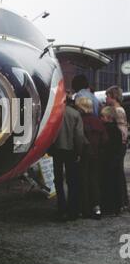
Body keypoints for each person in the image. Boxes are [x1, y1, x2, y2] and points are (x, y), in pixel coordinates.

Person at [50, 92, 85, 221]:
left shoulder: (54, 113)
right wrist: (79, 152)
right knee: (72, 181)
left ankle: (61, 209)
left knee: (58, 180)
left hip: (57, 150)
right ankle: (72, 211)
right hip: (71, 150)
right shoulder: (75, 114)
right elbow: (79, 136)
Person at [75, 97, 107, 219]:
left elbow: (77, 138)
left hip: (83, 154)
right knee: (94, 180)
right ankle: (97, 207)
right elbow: (105, 139)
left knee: (83, 180)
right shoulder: (97, 121)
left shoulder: (79, 121)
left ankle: (85, 209)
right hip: (96, 155)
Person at [105, 86, 129, 210]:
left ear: (113, 96)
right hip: (121, 144)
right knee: (118, 171)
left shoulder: (117, 110)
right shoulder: (118, 109)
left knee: (117, 171)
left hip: (119, 144)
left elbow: (122, 130)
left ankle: (121, 201)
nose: (106, 98)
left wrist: (121, 142)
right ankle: (123, 200)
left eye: (107, 96)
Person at [100, 106, 123, 215]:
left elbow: (105, 145)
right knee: (115, 183)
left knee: (106, 184)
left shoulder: (105, 129)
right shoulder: (117, 130)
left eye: (102, 116)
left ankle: (108, 207)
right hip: (115, 159)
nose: (100, 118)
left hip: (107, 160)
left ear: (108, 117)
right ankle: (116, 207)